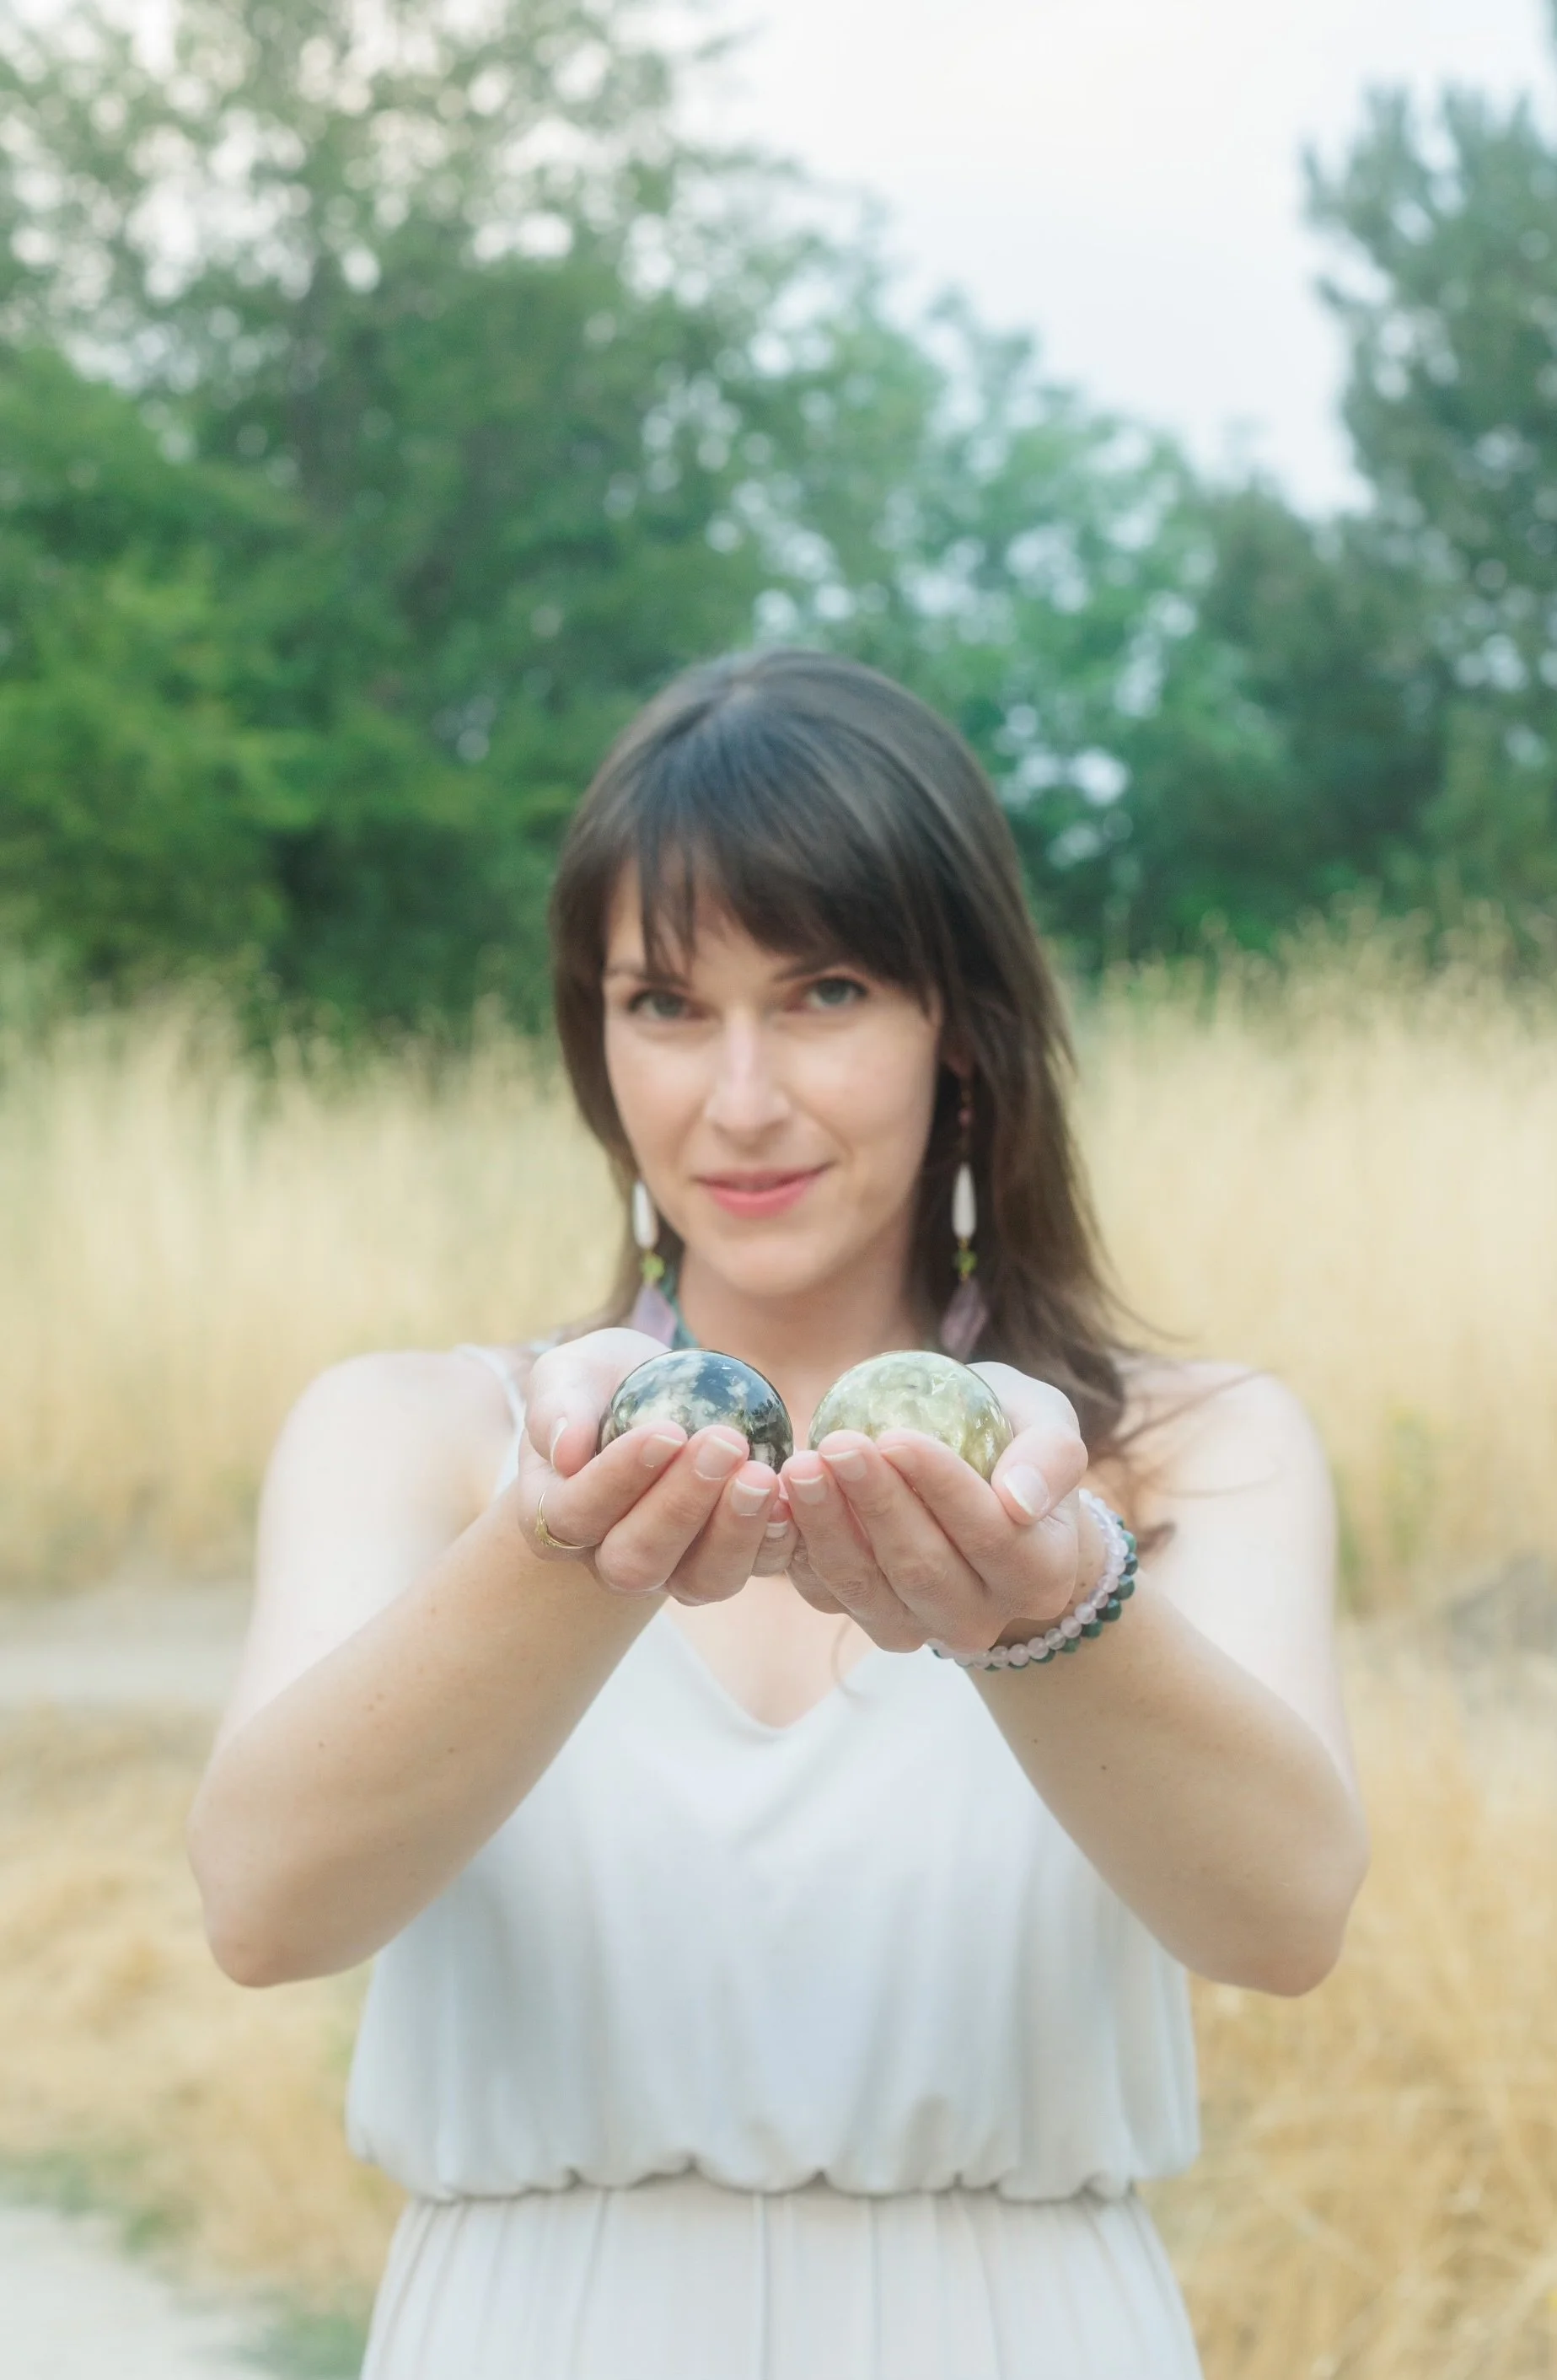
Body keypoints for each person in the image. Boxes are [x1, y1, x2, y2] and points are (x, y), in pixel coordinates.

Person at [189, 649, 1368, 2380]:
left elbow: (1282, 1917)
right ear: (595, 1039)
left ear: (955, 1021)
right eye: (661, 1002)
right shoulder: (422, 1437)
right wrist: (563, 1552)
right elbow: (263, 1904)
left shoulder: (1187, 1454)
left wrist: (1042, 1606)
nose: (735, 1099)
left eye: (820, 992)